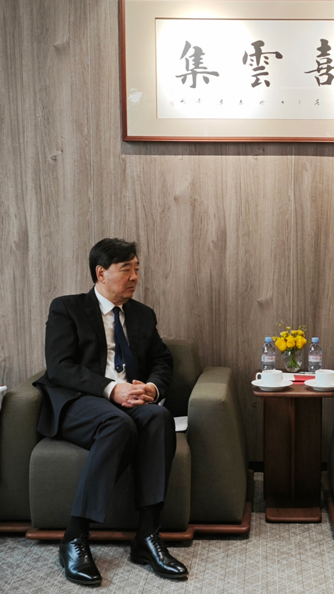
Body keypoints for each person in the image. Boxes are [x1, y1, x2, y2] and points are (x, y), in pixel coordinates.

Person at [35, 238, 188, 585]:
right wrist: (111, 389)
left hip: (130, 401)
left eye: (137, 269)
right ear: (101, 273)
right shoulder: (67, 308)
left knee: (158, 417)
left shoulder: (142, 314)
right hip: (80, 401)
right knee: (117, 424)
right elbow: (59, 367)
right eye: (126, 269)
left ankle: (147, 536)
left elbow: (162, 361)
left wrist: (152, 388)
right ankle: (75, 536)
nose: (134, 277)